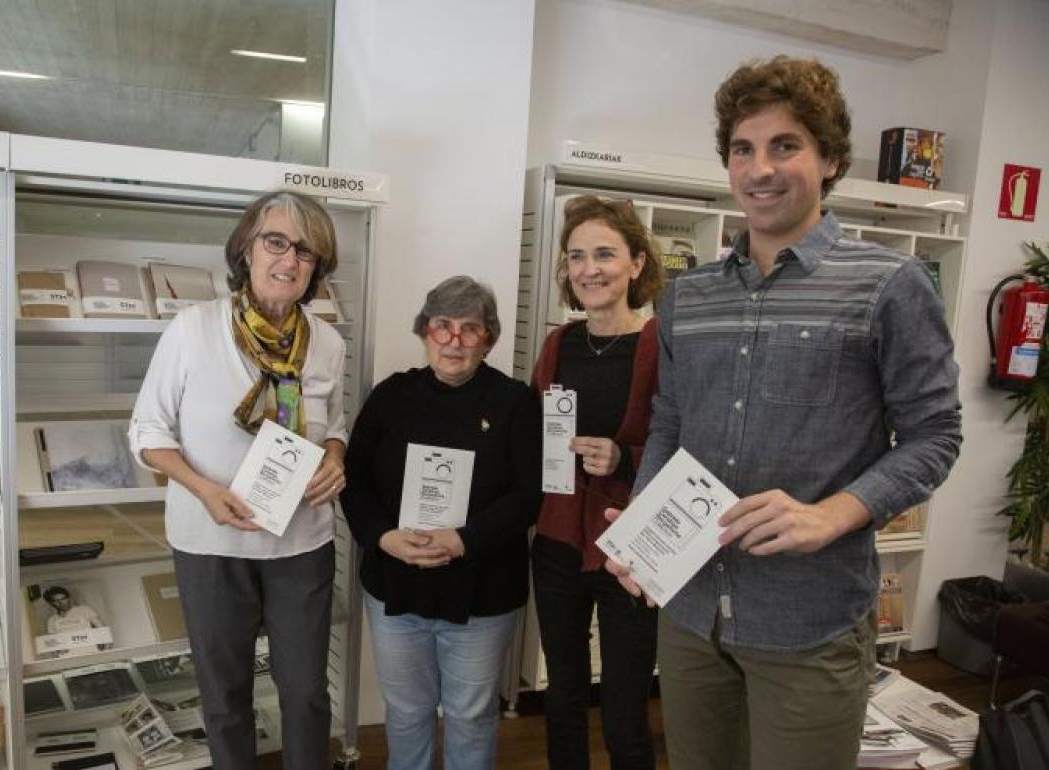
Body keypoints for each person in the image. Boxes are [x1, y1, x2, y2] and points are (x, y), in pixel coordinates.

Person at [604, 56, 962, 770]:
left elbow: (936, 436)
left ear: (829, 159)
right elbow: (671, 422)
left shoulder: (887, 286)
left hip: (810, 621)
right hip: (692, 612)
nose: (760, 168)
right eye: (743, 149)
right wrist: (642, 529)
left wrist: (836, 512)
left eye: (785, 145)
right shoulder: (688, 298)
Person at [129, 190, 348, 770]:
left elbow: (336, 423)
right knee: (225, 696)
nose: (290, 260)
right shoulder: (193, 329)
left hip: (302, 541)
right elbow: (148, 433)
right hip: (210, 543)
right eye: (276, 242)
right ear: (245, 251)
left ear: (316, 269)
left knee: (305, 692)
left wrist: (334, 456)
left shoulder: (327, 344)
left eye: (306, 252)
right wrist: (205, 491)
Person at [340, 276, 540, 770]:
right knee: (406, 712)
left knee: (470, 714)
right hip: (396, 587)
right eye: (443, 326)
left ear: (488, 338)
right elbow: (354, 477)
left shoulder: (515, 402)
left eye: (470, 329)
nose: (454, 340)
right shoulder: (392, 395)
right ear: (425, 330)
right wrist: (383, 538)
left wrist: (463, 541)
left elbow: (528, 496)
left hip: (482, 591)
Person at [530, 195, 664, 770]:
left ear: (636, 263)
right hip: (558, 543)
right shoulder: (559, 343)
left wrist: (624, 458)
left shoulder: (662, 345)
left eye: (605, 254)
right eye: (577, 256)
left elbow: (685, 445)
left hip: (630, 549)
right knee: (562, 696)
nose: (589, 268)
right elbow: (533, 431)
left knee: (624, 709)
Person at [42, 585, 108, 656]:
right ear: (51, 603)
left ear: (68, 598)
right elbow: (52, 644)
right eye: (56, 601)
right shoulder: (52, 620)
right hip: (67, 657)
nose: (61, 603)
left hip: (90, 653)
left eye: (63, 598)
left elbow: (102, 629)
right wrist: (57, 654)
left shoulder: (84, 610)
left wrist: (106, 650)